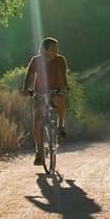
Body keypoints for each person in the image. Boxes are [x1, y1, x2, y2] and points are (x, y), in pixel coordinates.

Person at [21, 37, 69, 165]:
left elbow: (63, 75)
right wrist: (26, 89)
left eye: (56, 49)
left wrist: (63, 88)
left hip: (55, 91)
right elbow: (29, 76)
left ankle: (61, 126)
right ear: (44, 50)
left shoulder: (60, 60)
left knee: (61, 100)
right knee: (37, 120)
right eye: (52, 49)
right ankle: (39, 152)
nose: (55, 51)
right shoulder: (36, 60)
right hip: (40, 93)